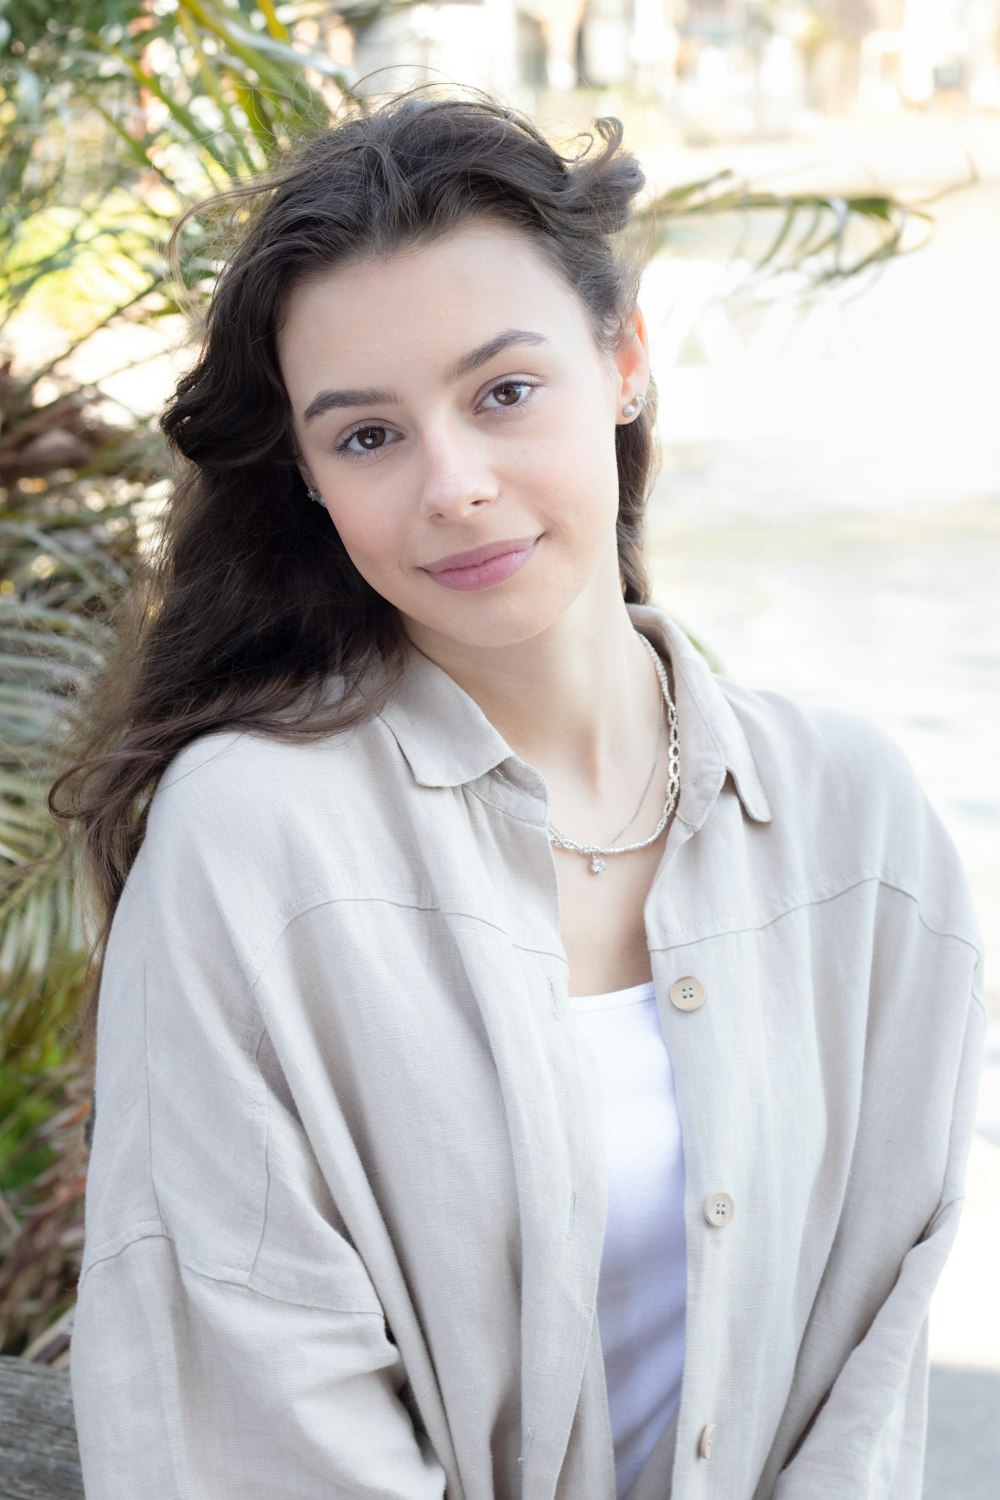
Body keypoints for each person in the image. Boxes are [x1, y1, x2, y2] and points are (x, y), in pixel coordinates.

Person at [55, 90, 986, 1500]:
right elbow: (254, 1415)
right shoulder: (249, 842)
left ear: (622, 363)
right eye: (367, 436)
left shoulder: (859, 823)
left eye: (504, 392)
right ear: (305, 477)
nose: (456, 485)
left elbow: (872, 1368)